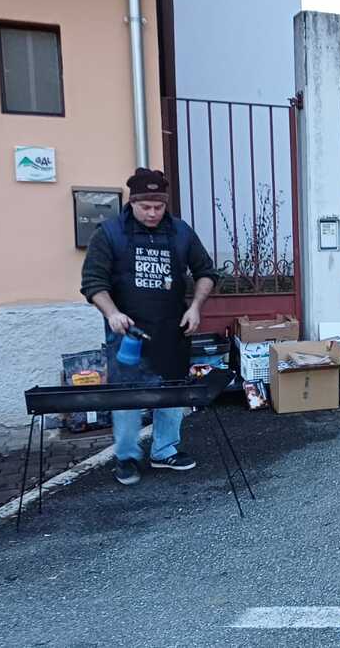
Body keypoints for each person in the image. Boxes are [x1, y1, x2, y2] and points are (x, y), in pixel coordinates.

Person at [80, 168, 220, 486]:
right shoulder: (109, 233)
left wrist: (195, 307)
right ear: (132, 203)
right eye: (146, 207)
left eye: (159, 206)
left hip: (172, 328)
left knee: (172, 390)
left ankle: (165, 450)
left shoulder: (181, 232)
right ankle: (126, 456)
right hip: (127, 334)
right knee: (127, 395)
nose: (153, 213)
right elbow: (92, 283)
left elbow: (206, 272)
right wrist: (112, 313)